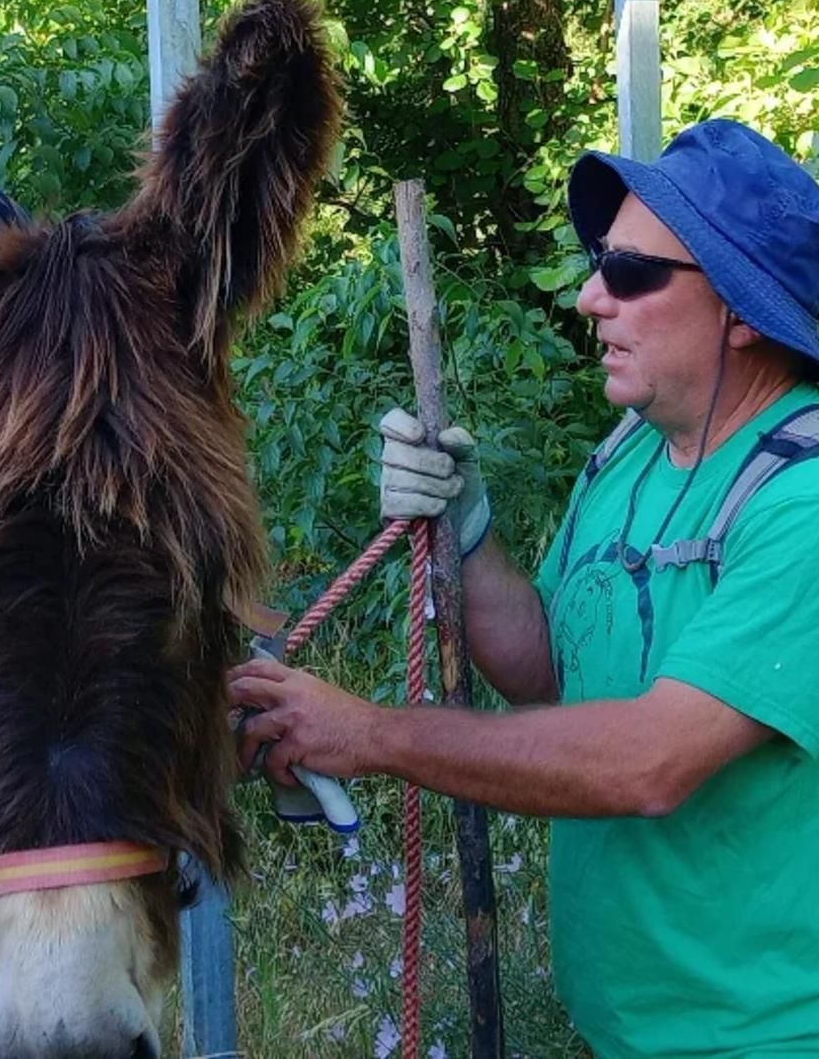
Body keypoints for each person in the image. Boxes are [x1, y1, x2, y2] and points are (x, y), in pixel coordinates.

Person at [229, 119, 819, 1057]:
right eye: (598, 264)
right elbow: (547, 671)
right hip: (627, 1035)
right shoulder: (630, 456)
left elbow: (649, 763)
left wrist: (374, 735)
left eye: (630, 273)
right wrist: (468, 529)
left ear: (741, 310)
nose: (591, 297)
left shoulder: (804, 501)